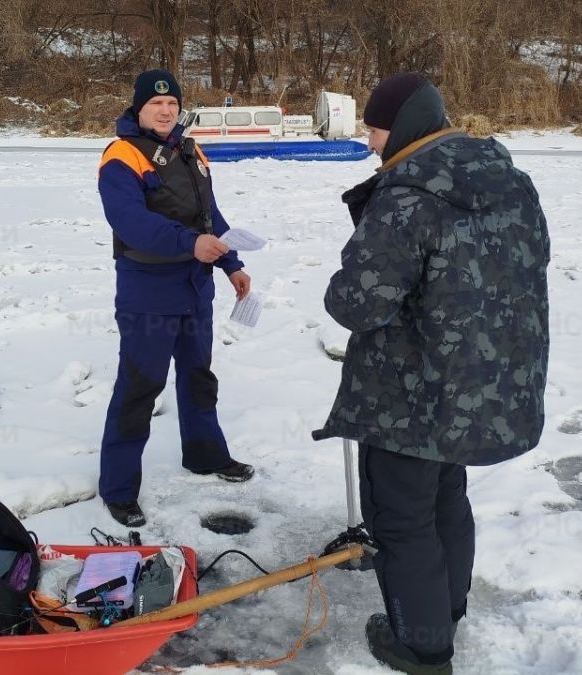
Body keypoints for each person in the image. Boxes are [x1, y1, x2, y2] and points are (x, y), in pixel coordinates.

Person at [312, 73, 550, 674]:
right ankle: (445, 609)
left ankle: (421, 647)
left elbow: (356, 304)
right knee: (447, 495)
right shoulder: (508, 180)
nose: (368, 141)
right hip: (481, 382)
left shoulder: (406, 196)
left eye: (374, 127)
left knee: (401, 518)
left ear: (406, 124)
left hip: (409, 393)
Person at [96, 69, 255, 528]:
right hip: (148, 293)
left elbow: (210, 214)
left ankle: (205, 455)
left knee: (198, 376)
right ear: (138, 108)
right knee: (139, 388)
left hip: (194, 288)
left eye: (172, 104)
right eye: (156, 104)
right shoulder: (121, 157)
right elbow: (131, 224)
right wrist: (190, 244)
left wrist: (232, 264)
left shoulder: (189, 148)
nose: (166, 111)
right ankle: (119, 488)